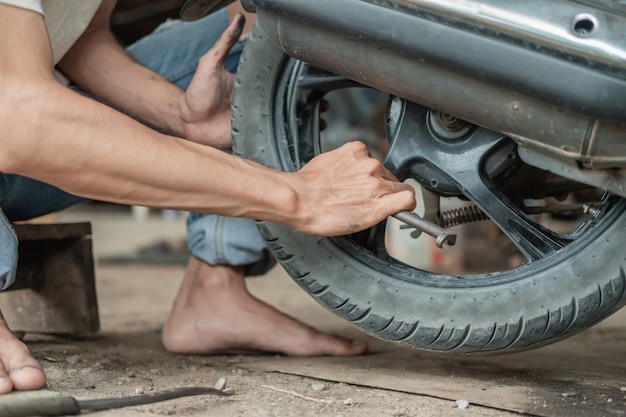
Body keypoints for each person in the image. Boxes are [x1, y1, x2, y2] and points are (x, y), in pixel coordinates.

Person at [0, 0, 416, 394]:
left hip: (27, 126)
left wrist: (178, 114)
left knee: (274, 27)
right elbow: (23, 121)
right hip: (21, 123)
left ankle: (215, 287)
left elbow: (80, 35)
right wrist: (297, 195)